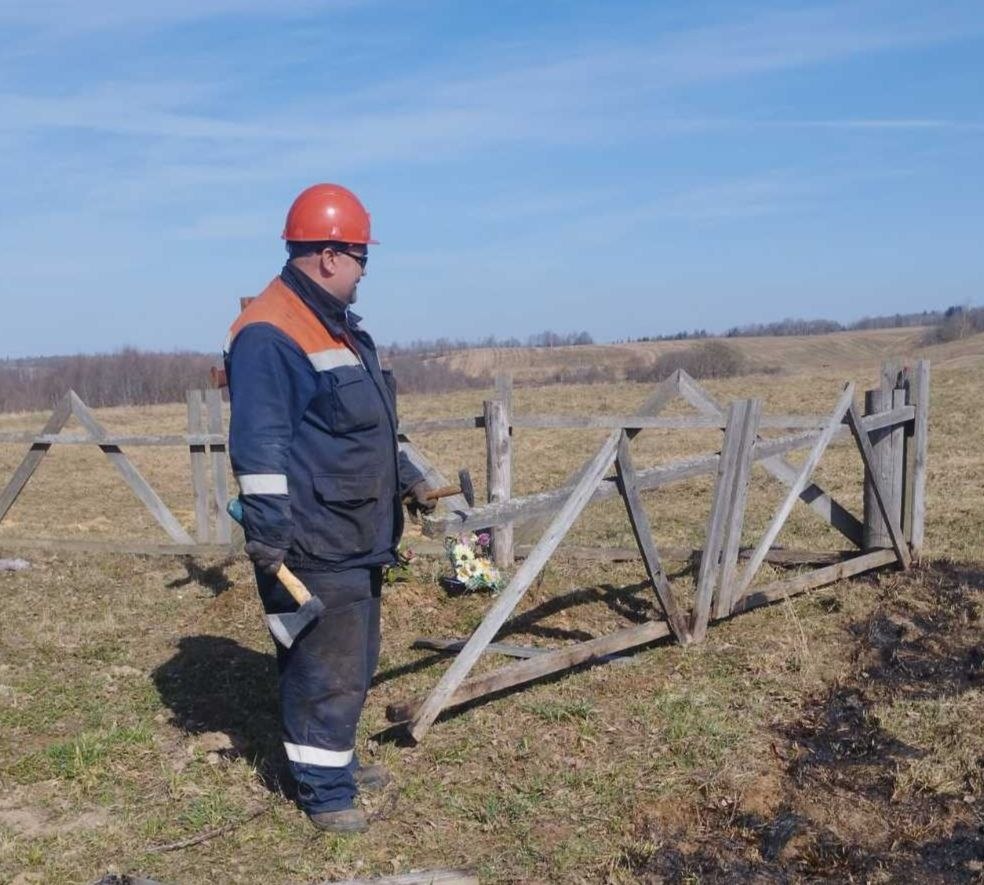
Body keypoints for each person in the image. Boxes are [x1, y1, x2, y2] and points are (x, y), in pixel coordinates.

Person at [223, 183, 435, 833]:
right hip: (315, 536)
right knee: (325, 666)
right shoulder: (271, 332)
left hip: (354, 527)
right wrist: (270, 535)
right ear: (328, 255)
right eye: (361, 258)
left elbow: (364, 424)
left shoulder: (336, 326)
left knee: (351, 658)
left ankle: (332, 762)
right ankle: (324, 792)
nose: (365, 271)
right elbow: (259, 444)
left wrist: (408, 476)